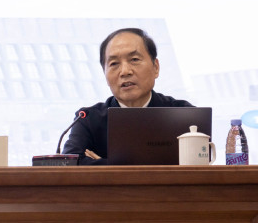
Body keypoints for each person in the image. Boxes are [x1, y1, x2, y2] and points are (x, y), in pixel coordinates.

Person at [61, 28, 193, 165]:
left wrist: (106, 165)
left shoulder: (184, 114)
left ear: (156, 67)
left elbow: (198, 164)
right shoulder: (88, 119)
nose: (125, 71)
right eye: (114, 64)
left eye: (134, 59)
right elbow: (69, 163)